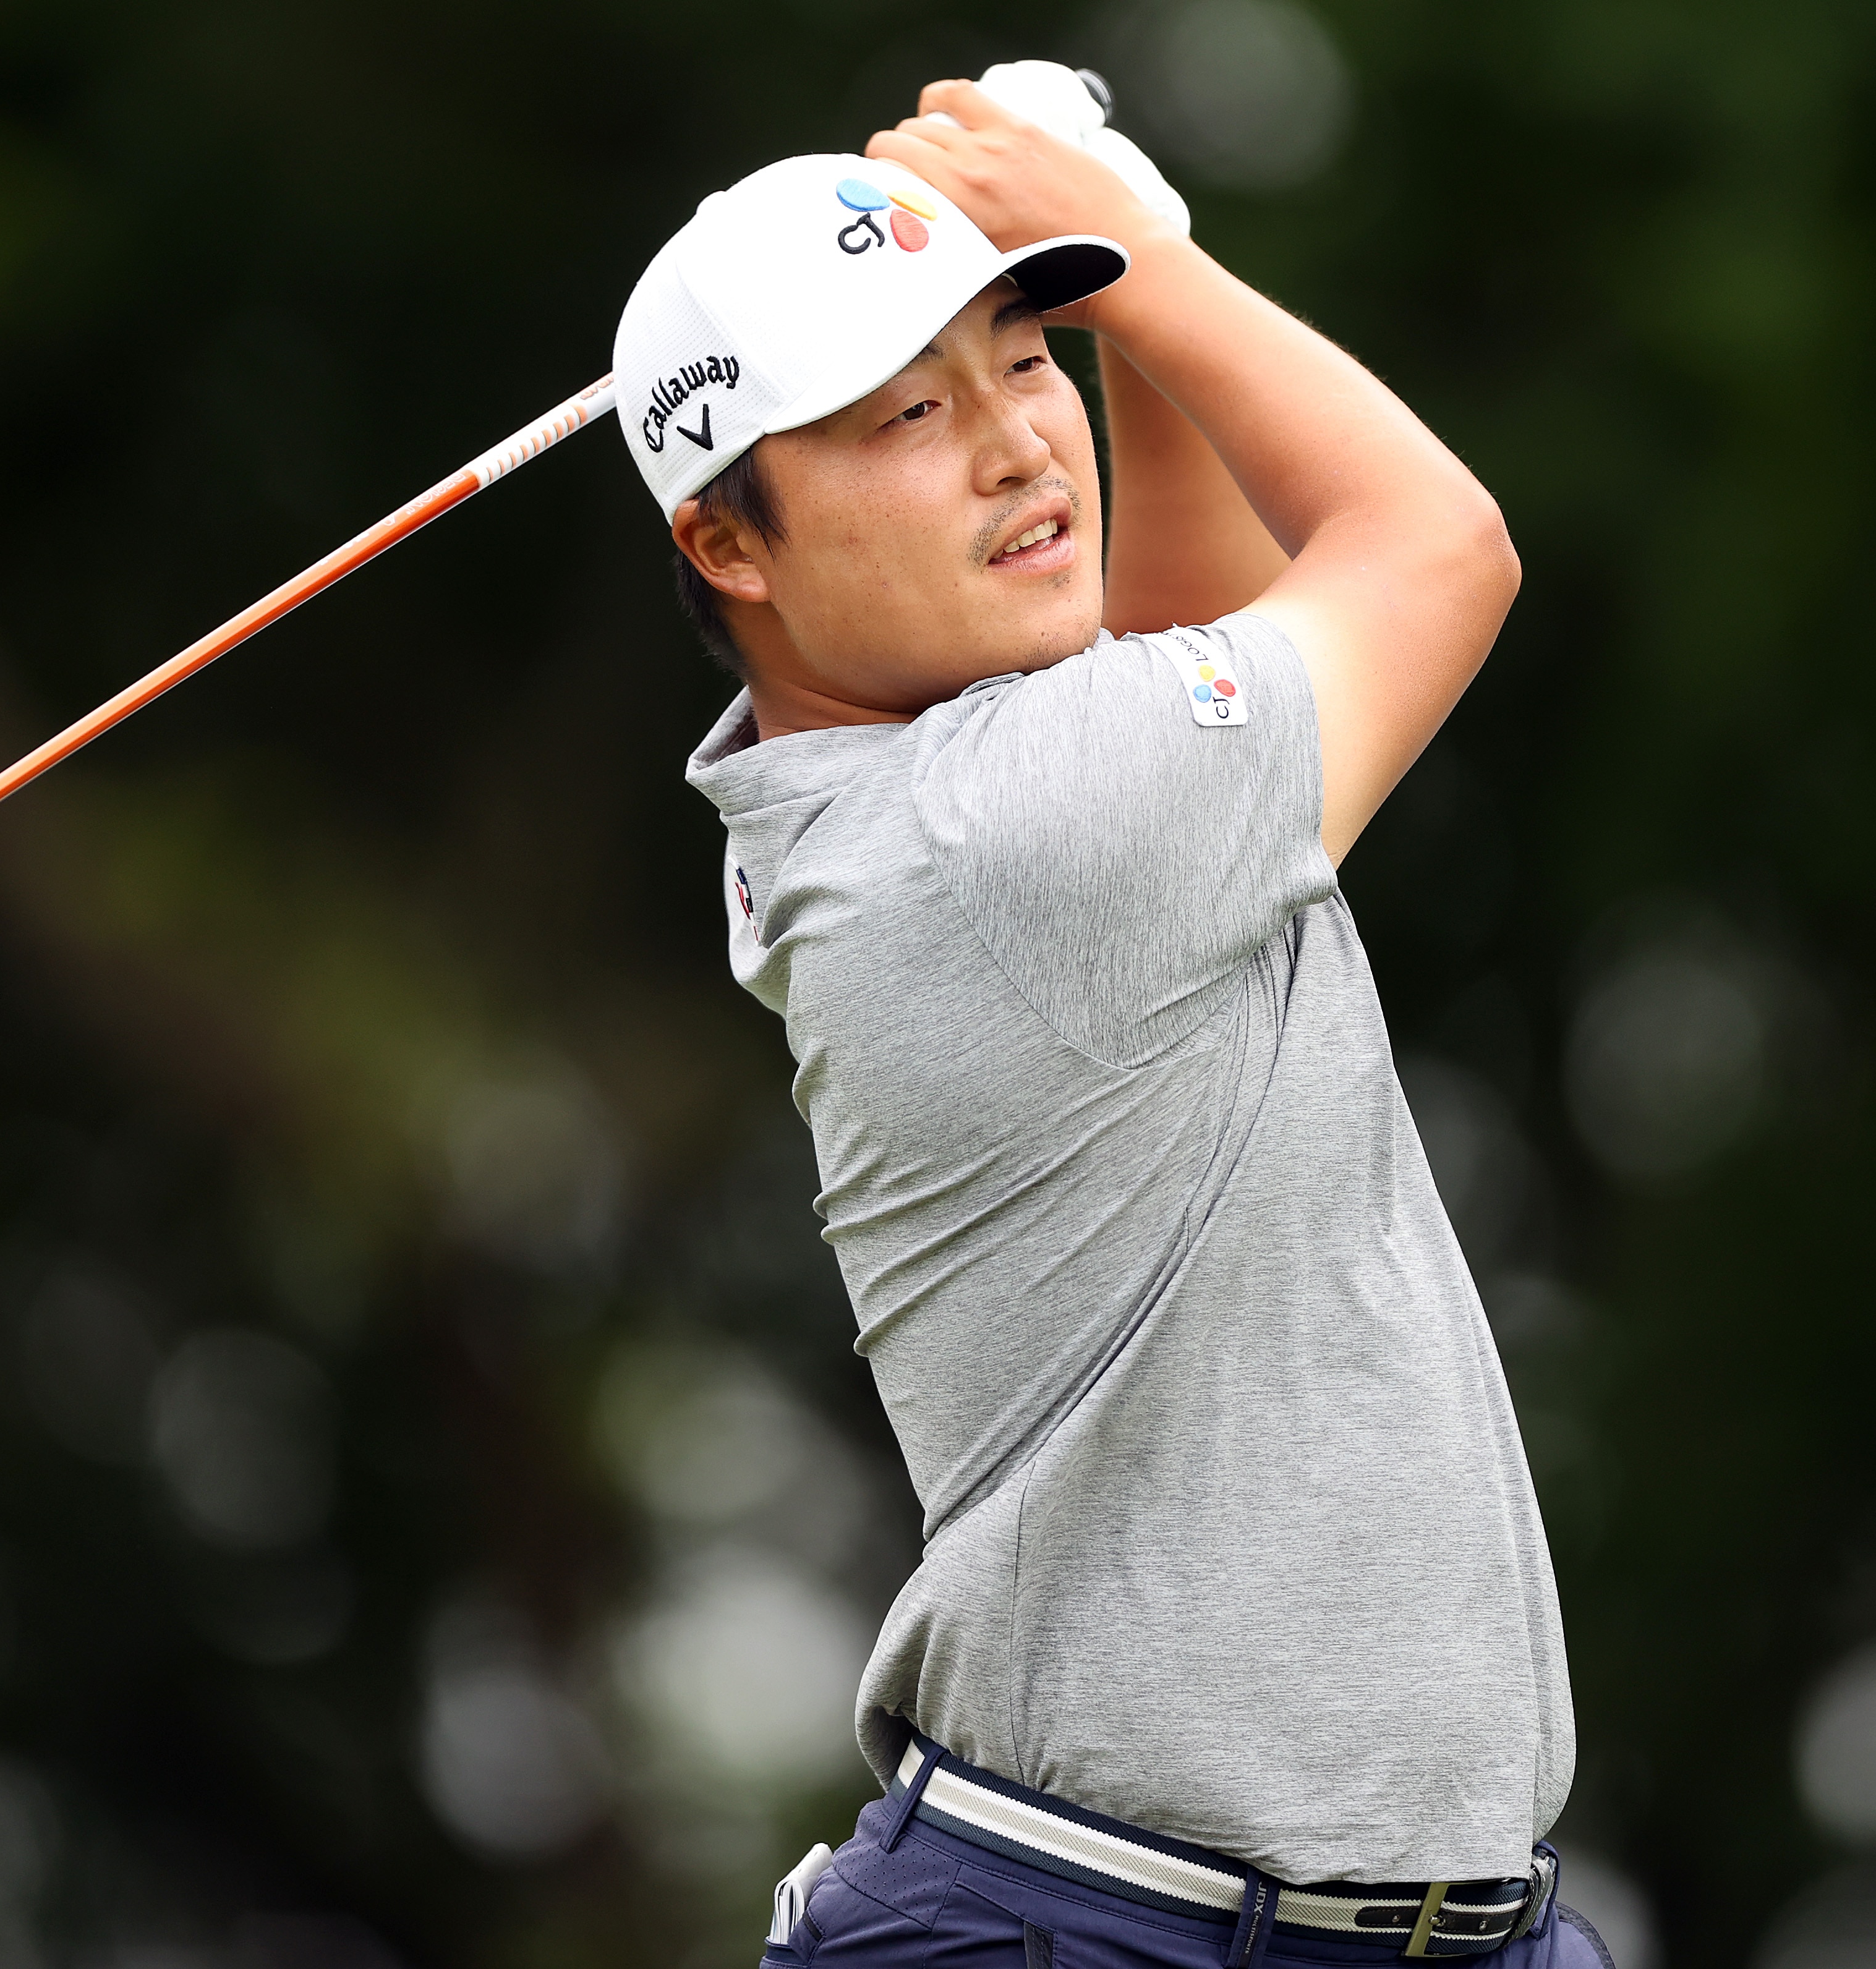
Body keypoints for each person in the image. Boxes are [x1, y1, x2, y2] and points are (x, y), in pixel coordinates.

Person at [614, 65, 1604, 1968]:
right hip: (1109, 1927)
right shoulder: (1009, 828)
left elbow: (1167, 639)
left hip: (1365, 1927)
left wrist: (1119, 305)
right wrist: (1143, 260)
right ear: (731, 546)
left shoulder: (942, 791)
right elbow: (1436, 544)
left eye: (1022, 360)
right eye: (908, 412)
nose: (1013, 447)